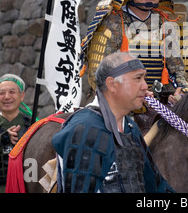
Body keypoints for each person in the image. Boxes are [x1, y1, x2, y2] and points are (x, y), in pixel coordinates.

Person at [51, 52, 174, 193]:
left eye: (144, 78)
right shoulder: (86, 129)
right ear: (112, 84)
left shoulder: (130, 127)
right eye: (138, 78)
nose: (145, 86)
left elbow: (156, 185)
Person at [80, 0, 188, 106]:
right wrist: (133, 93)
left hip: (158, 102)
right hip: (117, 103)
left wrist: (180, 90)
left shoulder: (165, 24)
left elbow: (177, 68)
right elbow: (99, 72)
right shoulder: (112, 21)